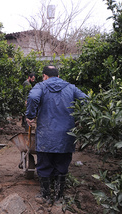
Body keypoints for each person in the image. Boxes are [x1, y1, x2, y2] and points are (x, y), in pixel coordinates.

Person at [25, 65, 87, 205]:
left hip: (46, 134)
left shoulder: (40, 86)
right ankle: (59, 197)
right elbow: (86, 100)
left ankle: (45, 195)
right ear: (58, 77)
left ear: (44, 76)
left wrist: (30, 115)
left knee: (44, 164)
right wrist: (82, 119)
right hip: (67, 135)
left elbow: (33, 97)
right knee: (62, 165)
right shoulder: (70, 87)